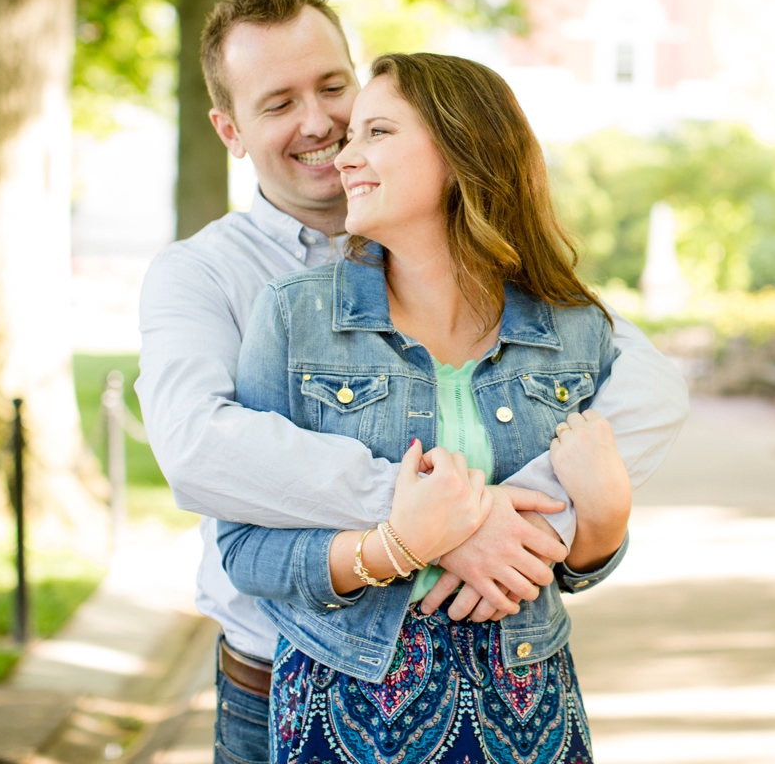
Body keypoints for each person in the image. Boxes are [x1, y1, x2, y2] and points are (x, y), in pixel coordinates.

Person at [135, 0, 688, 764]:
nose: (322, 123)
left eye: (334, 87)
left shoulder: (517, 293)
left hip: (518, 700)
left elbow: (648, 385)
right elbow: (198, 451)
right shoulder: (219, 281)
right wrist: (432, 521)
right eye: (278, 103)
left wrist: (564, 524)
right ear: (229, 130)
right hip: (287, 685)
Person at [220, 52, 630, 764]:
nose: (345, 157)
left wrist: (608, 517)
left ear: (461, 147)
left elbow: (568, 568)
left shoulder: (576, 330)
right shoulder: (295, 320)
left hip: (529, 705)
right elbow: (245, 551)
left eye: (375, 133)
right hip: (343, 703)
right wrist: (404, 545)